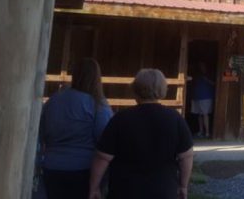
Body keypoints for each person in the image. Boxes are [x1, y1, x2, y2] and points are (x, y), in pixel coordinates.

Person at [89, 68, 195, 199]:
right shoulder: (175, 119)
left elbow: (102, 157)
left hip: (125, 190)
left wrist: (94, 187)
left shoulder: (120, 119)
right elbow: (186, 156)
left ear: (135, 90)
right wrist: (183, 186)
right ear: (163, 90)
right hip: (163, 190)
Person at [39, 58, 112, 199]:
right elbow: (105, 139)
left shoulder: (54, 100)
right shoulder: (97, 104)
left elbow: (42, 132)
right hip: (83, 169)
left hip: (52, 166)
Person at [191, 61, 215, 138]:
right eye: (200, 66)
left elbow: (215, 83)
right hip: (197, 96)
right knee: (199, 115)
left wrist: (206, 79)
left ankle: (207, 133)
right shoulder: (197, 74)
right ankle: (201, 131)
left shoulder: (210, 74)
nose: (201, 67)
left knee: (205, 114)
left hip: (206, 97)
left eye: (203, 65)